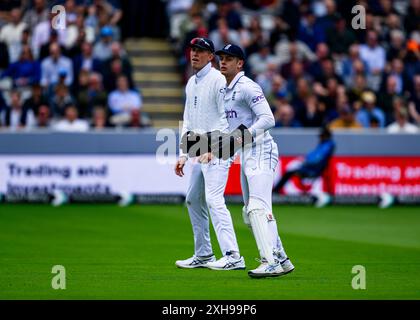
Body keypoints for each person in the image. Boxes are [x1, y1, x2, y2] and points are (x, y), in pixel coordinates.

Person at [215, 44, 294, 278]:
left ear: (240, 63)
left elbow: (268, 119)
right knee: (251, 214)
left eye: (229, 58)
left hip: (261, 149)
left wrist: (240, 137)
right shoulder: (224, 90)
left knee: (257, 208)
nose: (223, 62)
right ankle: (281, 258)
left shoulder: (248, 87)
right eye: (221, 58)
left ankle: (269, 262)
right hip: (246, 152)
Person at [174, 37, 244, 270]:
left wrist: (216, 149)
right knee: (193, 199)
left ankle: (233, 256)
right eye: (193, 49)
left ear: (210, 56)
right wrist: (184, 153)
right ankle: (203, 254)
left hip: (219, 149)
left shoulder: (217, 80)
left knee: (214, 199)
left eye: (200, 51)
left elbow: (228, 116)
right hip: (201, 148)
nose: (194, 54)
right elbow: (189, 119)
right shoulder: (191, 82)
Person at [273, 126, 336, 206]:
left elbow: (316, 158)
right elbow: (314, 156)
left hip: (312, 170)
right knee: (289, 173)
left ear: (325, 136)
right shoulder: (324, 144)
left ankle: (276, 191)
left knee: (289, 173)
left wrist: (305, 162)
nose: (319, 138)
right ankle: (276, 191)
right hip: (311, 168)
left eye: (321, 136)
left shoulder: (327, 145)